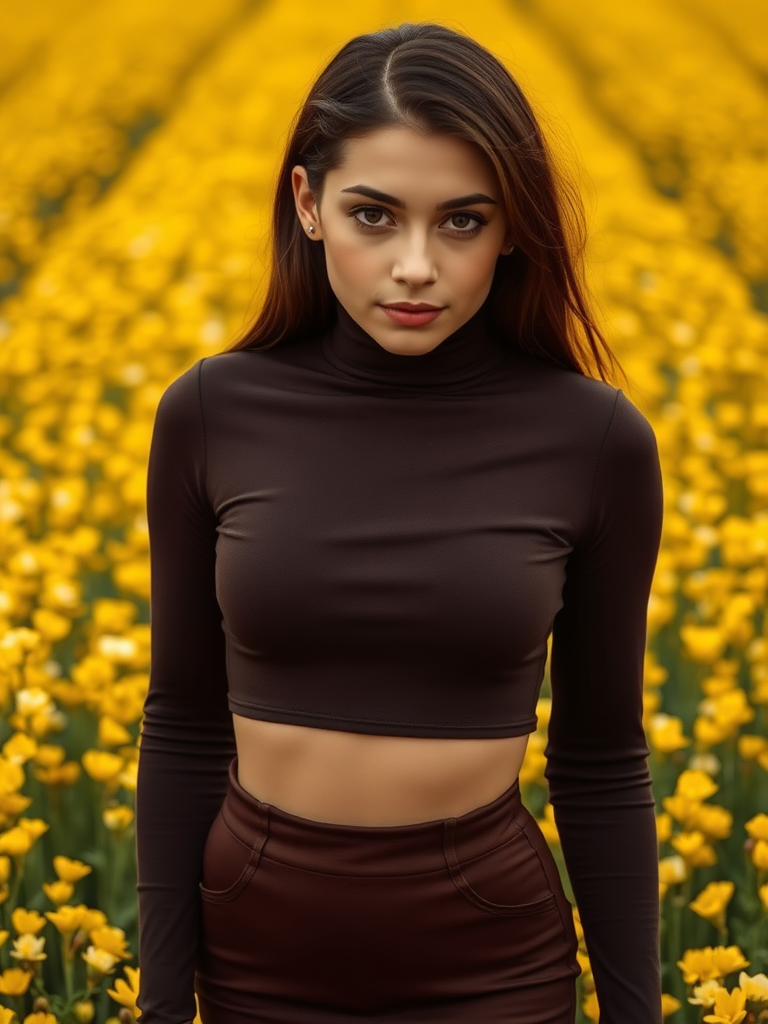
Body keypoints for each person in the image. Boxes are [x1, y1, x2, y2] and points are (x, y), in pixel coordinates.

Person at [135, 21, 664, 1024]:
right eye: (374, 215)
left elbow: (600, 762)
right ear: (309, 204)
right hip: (254, 943)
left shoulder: (595, 440)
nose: (415, 266)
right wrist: (163, 1002)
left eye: (461, 222)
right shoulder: (208, 412)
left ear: (514, 227)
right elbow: (184, 726)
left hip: (491, 959)